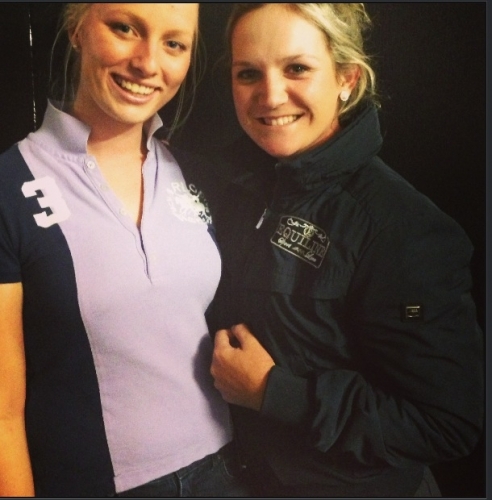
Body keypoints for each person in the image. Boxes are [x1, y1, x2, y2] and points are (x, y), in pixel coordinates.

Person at [209, 3, 484, 497]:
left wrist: (276, 393)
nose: (270, 95)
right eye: (248, 73)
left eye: (297, 68)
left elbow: (445, 423)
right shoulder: (226, 183)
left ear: (347, 79)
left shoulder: (403, 228)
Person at [0, 3, 249, 497]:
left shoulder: (196, 175)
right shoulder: (9, 187)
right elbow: (2, 412)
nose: (147, 63)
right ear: (77, 29)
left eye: (174, 43)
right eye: (124, 28)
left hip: (226, 472)